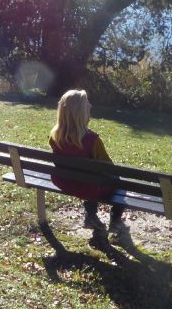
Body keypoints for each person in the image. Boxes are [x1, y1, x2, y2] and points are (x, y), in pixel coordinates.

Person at [49, 89, 127, 236]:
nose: (90, 106)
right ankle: (115, 221)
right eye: (87, 104)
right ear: (80, 112)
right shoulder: (92, 140)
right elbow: (109, 167)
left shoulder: (55, 137)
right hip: (86, 186)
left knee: (89, 179)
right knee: (119, 184)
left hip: (65, 182)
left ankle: (90, 216)